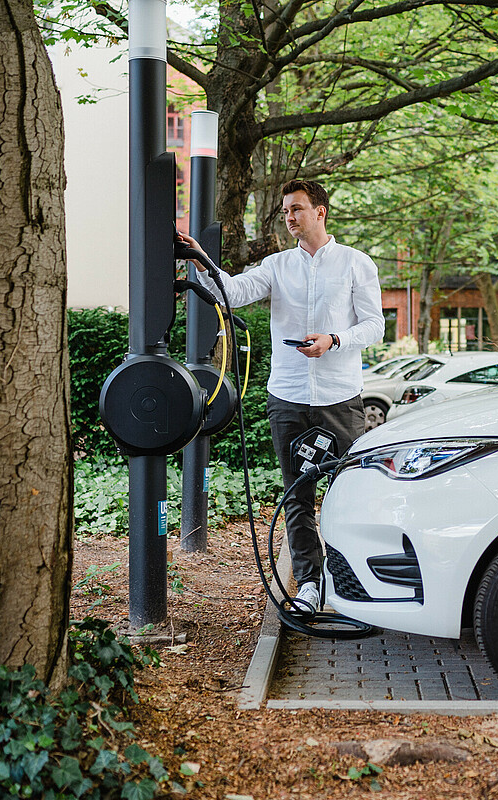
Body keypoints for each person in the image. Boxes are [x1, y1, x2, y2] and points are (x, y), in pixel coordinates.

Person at [178, 180, 384, 611]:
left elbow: (374, 326)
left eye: (297, 209)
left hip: (340, 399)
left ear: (321, 212)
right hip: (287, 398)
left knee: (350, 492)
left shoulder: (355, 264)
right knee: (297, 496)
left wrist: (334, 339)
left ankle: (355, 581)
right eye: (286, 212)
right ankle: (310, 585)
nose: (289, 218)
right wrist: (201, 260)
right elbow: (230, 293)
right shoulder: (277, 266)